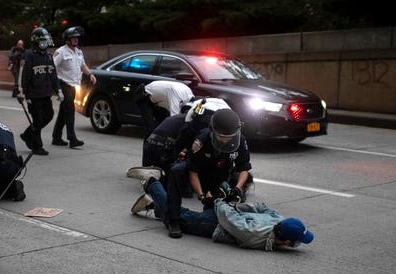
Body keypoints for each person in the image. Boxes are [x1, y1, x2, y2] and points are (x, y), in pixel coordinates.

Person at [128, 108, 253, 238]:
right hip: (197, 171)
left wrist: (237, 189)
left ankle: (156, 204)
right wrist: (201, 196)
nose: (225, 140)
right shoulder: (202, 140)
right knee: (176, 171)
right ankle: (173, 219)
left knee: (212, 220)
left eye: (229, 137)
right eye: (221, 136)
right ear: (213, 130)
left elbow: (244, 168)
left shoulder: (241, 141)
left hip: (219, 175)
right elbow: (193, 172)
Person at [131, 177, 314, 251]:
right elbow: (231, 220)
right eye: (297, 241)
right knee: (175, 216)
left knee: (180, 213)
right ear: (287, 241)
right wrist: (221, 203)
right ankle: (152, 183)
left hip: (224, 214)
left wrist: (233, 206)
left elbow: (263, 209)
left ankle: (153, 204)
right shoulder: (255, 234)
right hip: (216, 223)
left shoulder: (280, 221)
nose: (298, 244)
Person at [128, 98, 231, 189]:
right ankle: (156, 180)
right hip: (176, 137)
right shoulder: (205, 125)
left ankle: (154, 177)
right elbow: (187, 138)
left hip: (164, 138)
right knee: (179, 166)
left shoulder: (195, 115)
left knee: (180, 159)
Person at [17, 27, 63, 156]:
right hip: (33, 94)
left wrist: (58, 90)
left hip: (45, 93)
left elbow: (53, 75)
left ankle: (27, 134)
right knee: (37, 120)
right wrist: (21, 91)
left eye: (46, 40)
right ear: (36, 41)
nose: (45, 43)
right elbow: (23, 74)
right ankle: (37, 146)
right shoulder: (29, 55)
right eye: (43, 40)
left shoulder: (48, 57)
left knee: (48, 115)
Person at [51, 26, 96, 148]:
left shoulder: (78, 51)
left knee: (63, 112)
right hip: (63, 84)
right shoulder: (61, 52)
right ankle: (72, 138)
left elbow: (83, 65)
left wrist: (90, 74)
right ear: (67, 40)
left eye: (77, 38)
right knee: (70, 110)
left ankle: (56, 137)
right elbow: (52, 67)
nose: (76, 40)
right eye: (73, 38)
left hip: (73, 85)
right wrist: (55, 85)